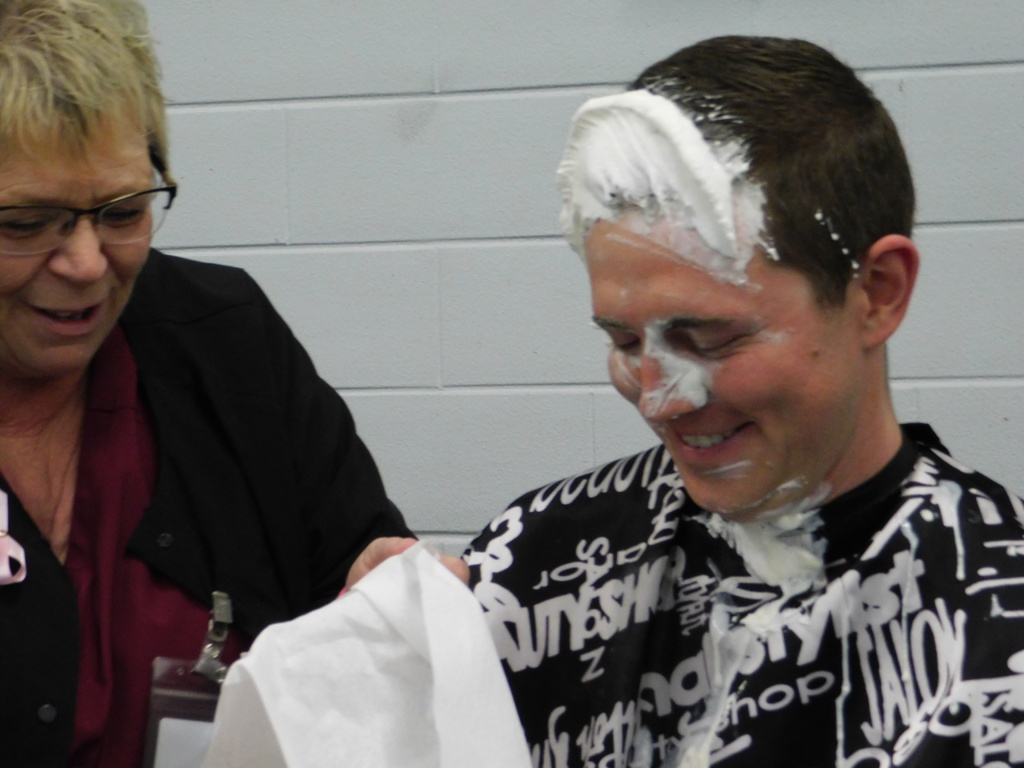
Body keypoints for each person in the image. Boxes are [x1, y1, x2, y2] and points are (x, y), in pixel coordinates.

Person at [465, 36, 1024, 768]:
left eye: (709, 339)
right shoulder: (539, 562)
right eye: (624, 340)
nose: (658, 400)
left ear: (877, 293)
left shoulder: (998, 619)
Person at [0, 2, 429, 765]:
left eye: (123, 212)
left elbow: (356, 585)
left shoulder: (225, 347)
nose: (88, 264)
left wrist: (382, 610)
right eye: (27, 225)